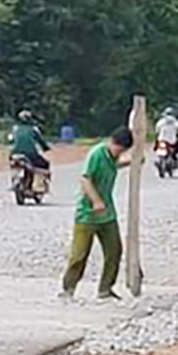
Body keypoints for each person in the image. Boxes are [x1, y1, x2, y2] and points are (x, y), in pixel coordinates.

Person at [60, 127, 134, 301]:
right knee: (79, 255)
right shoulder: (97, 154)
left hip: (107, 215)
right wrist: (96, 200)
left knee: (114, 251)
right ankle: (68, 289)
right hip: (88, 214)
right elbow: (85, 179)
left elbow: (114, 165)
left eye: (123, 152)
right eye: (120, 150)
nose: (120, 154)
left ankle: (105, 289)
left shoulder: (112, 157)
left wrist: (131, 162)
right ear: (112, 143)